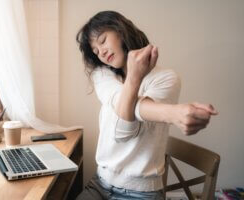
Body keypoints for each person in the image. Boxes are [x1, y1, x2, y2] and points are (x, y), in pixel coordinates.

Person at [75, 10, 218, 200]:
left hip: (140, 193)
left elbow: (124, 130)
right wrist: (174, 113)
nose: (100, 52)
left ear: (121, 30)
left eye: (102, 40)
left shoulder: (166, 78)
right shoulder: (102, 75)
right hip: (100, 183)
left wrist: (134, 79)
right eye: (95, 50)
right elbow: (122, 110)